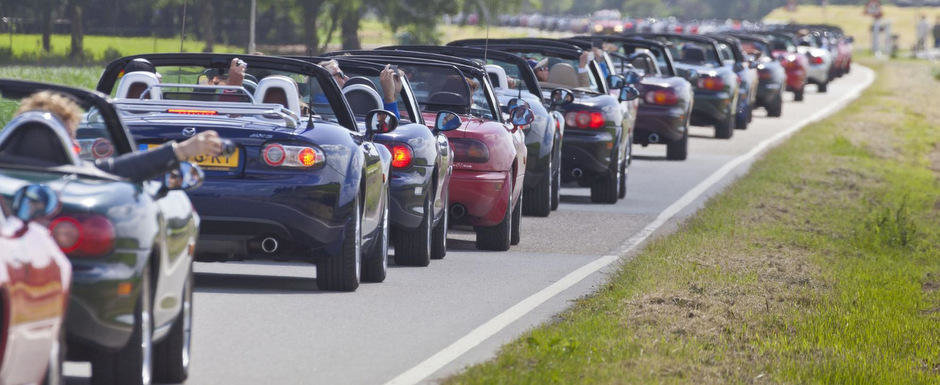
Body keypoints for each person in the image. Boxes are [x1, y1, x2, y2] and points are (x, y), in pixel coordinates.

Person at [14, 91, 224, 182]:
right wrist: (182, 150)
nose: (76, 144)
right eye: (69, 136)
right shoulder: (71, 177)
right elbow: (118, 170)